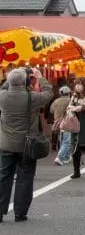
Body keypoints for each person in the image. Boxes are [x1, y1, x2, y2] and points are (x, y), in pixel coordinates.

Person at [0, 68, 53, 223]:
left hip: (5, 145)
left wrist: (14, 75)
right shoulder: (31, 97)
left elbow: (4, 86)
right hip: (27, 145)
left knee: (3, 178)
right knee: (25, 178)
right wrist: (41, 77)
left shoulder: (2, 96)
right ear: (26, 81)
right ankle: (20, 213)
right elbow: (49, 93)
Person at [51, 85, 72, 166]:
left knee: (62, 140)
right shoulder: (70, 101)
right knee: (66, 141)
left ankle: (66, 157)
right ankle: (59, 157)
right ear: (68, 93)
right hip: (66, 122)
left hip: (57, 122)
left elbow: (51, 111)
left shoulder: (56, 101)